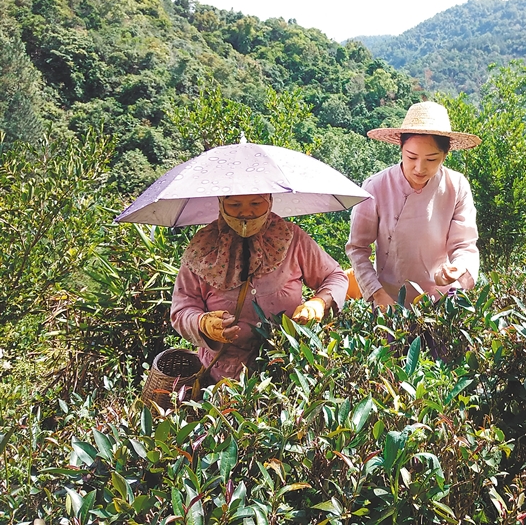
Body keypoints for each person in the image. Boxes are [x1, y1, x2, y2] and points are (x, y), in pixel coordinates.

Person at [171, 193, 348, 381]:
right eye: (235, 204)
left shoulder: (291, 238)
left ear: (270, 201)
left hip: (287, 369)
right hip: (224, 378)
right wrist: (202, 323)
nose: (246, 213)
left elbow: (335, 276)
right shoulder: (203, 247)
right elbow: (181, 309)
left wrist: (319, 303)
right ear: (221, 203)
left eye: (256, 203)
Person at [346, 101, 481, 308]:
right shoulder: (376, 187)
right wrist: (376, 293)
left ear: (445, 156)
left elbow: (464, 244)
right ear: (401, 149)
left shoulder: (456, 186)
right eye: (411, 157)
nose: (419, 168)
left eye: (431, 159)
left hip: (441, 298)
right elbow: (357, 248)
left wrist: (458, 268)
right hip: (389, 299)